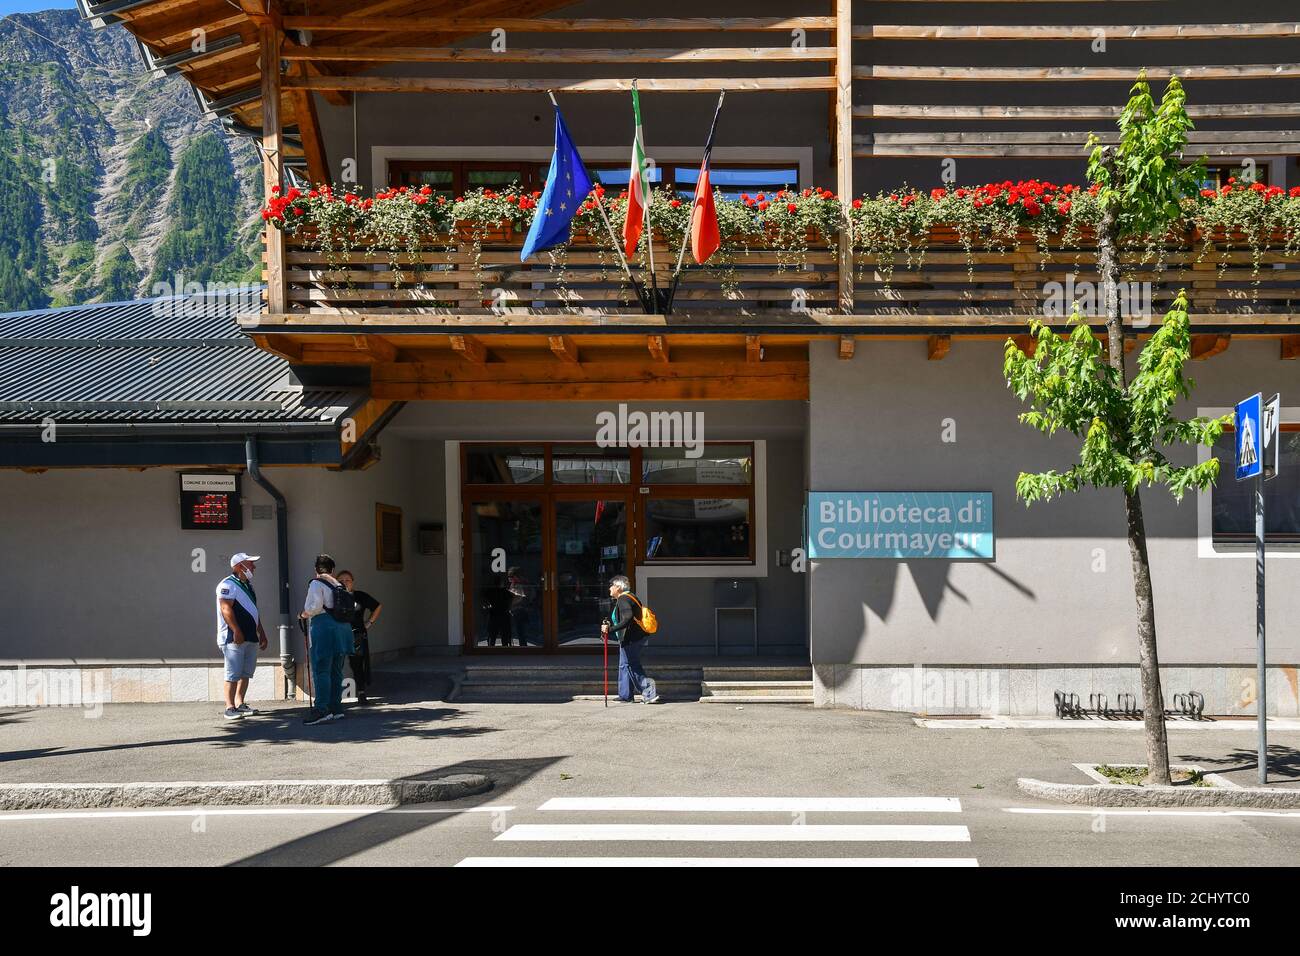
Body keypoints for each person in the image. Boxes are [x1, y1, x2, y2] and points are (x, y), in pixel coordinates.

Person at [299, 554, 355, 725]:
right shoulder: (339, 584)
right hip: (343, 630)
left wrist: (302, 614)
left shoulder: (316, 583)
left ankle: (321, 709)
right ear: (332, 570)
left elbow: (314, 607)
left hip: (324, 629)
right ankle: (336, 707)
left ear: (316, 570)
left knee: (321, 669)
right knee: (336, 670)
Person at [215, 552, 268, 720]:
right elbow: (226, 609)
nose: (253, 567)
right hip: (233, 638)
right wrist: (236, 630)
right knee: (232, 673)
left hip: (250, 636)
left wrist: (262, 632)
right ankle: (229, 707)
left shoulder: (248, 585)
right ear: (239, 566)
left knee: (245, 673)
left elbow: (253, 612)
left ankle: (240, 703)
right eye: (249, 563)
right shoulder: (227, 584)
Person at [601, 575, 660, 704]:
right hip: (632, 637)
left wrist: (609, 630)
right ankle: (625, 695)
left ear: (618, 587)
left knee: (632, 664)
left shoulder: (623, 599)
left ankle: (649, 693)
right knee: (624, 665)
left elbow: (627, 618)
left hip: (632, 638)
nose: (609, 588)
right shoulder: (630, 597)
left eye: (611, 585)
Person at [337, 570, 381, 704]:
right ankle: (335, 695)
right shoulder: (334, 596)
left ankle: (361, 693)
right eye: (341, 581)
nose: (344, 583)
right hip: (338, 634)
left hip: (356, 634)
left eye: (347, 580)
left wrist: (369, 622)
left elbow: (377, 606)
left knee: (357, 664)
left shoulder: (360, 596)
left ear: (352, 582)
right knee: (337, 663)